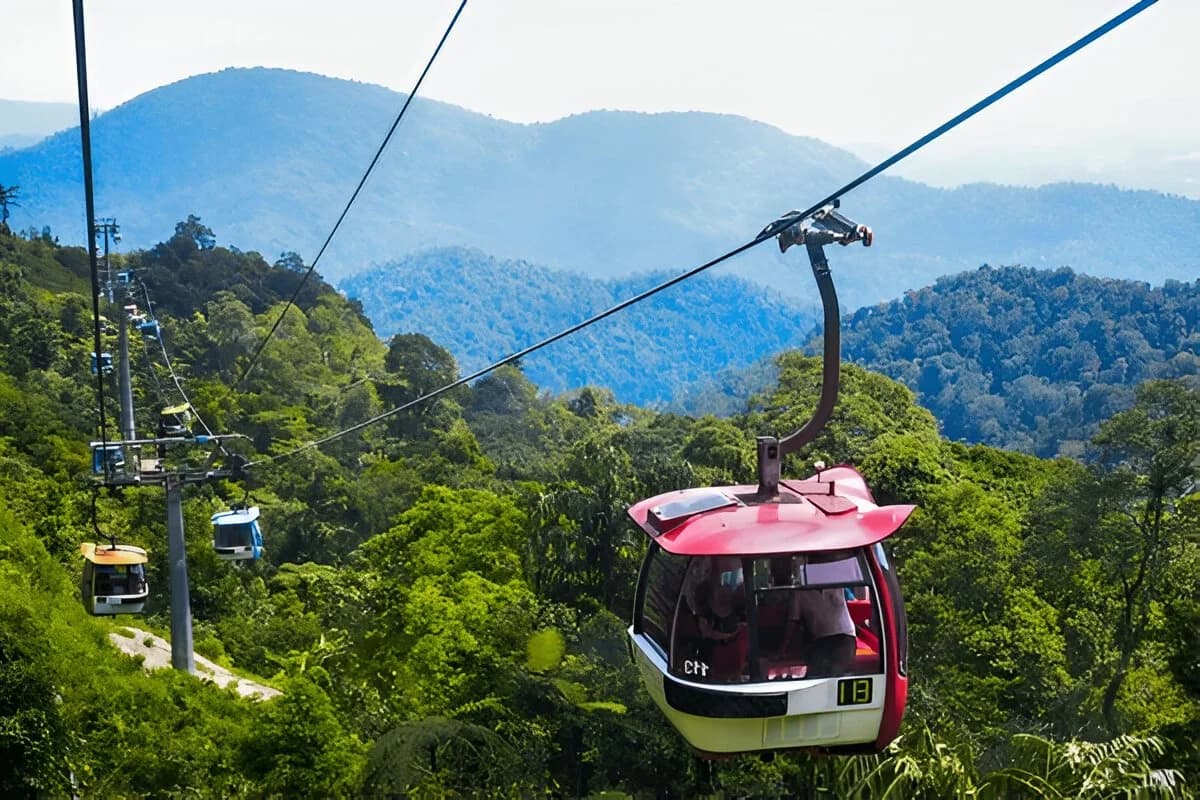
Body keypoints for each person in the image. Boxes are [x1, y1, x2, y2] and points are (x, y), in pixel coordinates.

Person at [780, 586, 856, 677]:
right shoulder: (799, 592)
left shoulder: (836, 584)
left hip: (846, 636)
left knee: (834, 671)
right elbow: (792, 621)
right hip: (820, 641)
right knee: (816, 674)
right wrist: (783, 648)